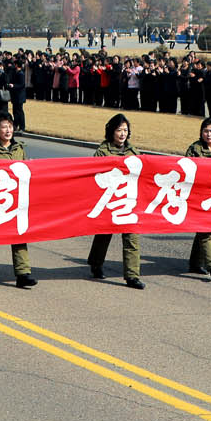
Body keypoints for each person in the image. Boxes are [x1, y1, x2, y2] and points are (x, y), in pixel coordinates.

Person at [0, 113, 37, 288]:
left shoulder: (19, 148)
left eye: (10, 126)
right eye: (4, 126)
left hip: (17, 201)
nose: (8, 130)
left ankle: (23, 273)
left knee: (19, 235)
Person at [88, 113, 145, 289]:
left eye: (125, 130)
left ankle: (132, 275)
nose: (122, 134)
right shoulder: (102, 151)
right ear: (111, 131)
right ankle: (96, 264)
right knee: (104, 235)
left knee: (132, 237)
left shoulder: (134, 152)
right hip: (109, 199)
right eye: (119, 130)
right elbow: (94, 175)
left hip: (128, 201)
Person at [184, 118, 211, 280]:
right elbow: (186, 169)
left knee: (204, 229)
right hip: (198, 195)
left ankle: (195, 263)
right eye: (206, 131)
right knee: (205, 230)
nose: (209, 134)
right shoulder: (194, 149)